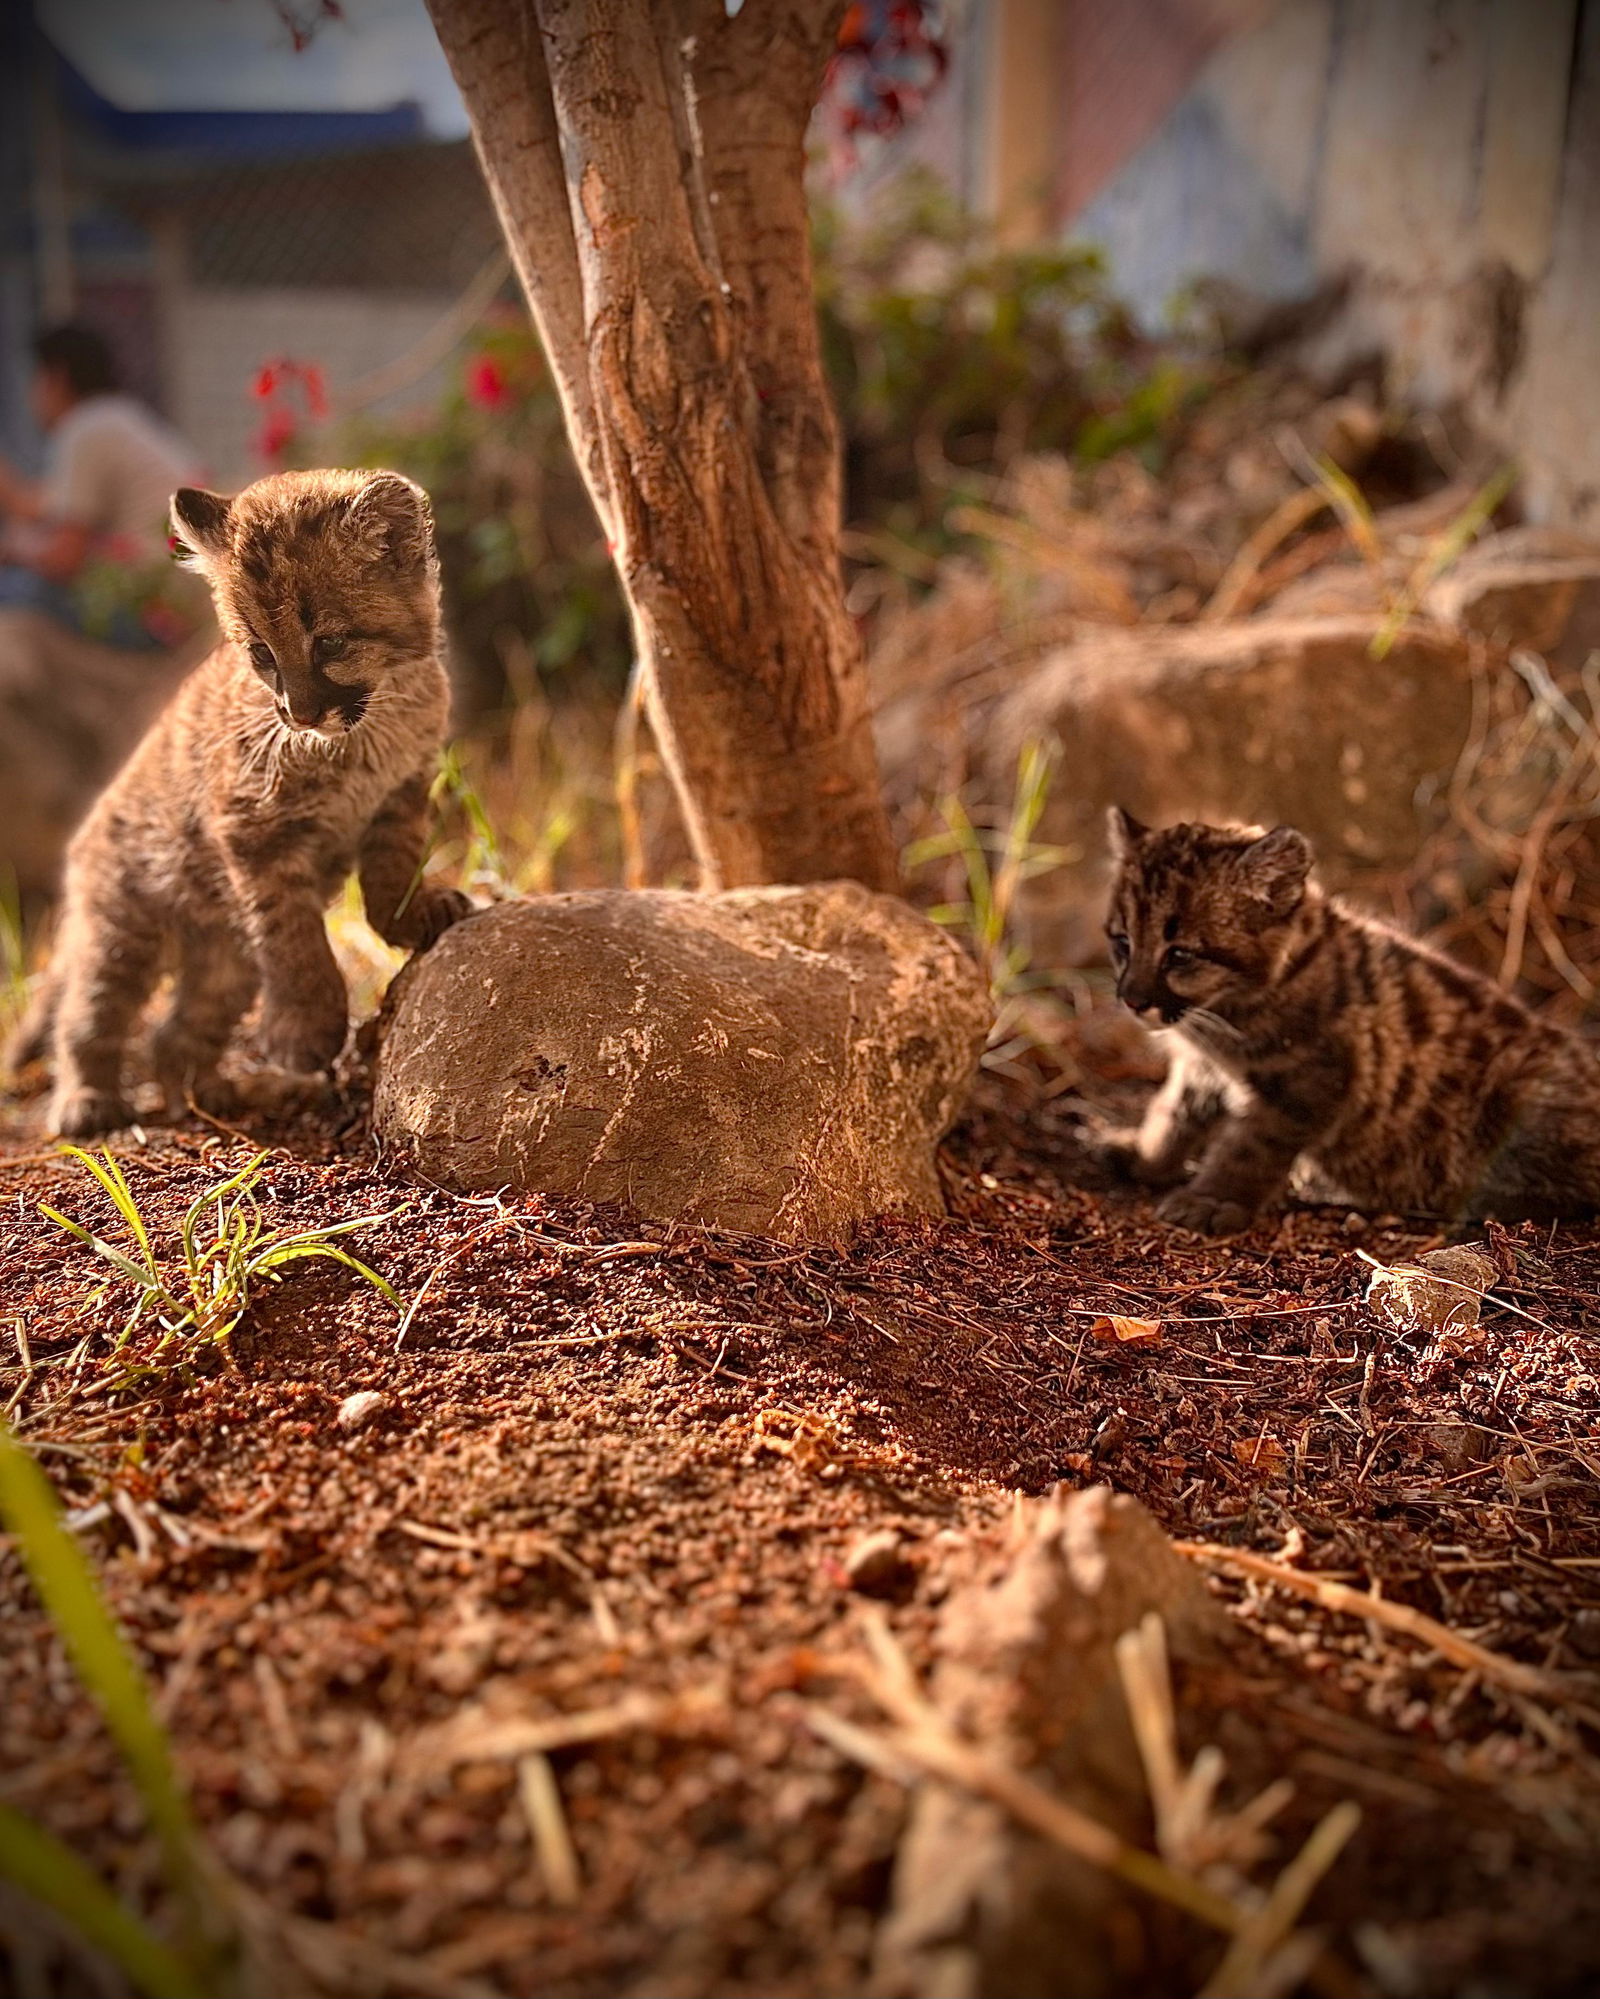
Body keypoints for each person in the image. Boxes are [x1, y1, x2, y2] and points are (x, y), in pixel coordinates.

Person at [0, 324, 206, 650]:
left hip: (150, 616)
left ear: (57, 376)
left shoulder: (85, 429)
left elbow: (65, 558)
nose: (32, 395)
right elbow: (40, 507)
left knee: (17, 589)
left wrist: (13, 551)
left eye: (36, 379)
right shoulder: (118, 418)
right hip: (177, 604)